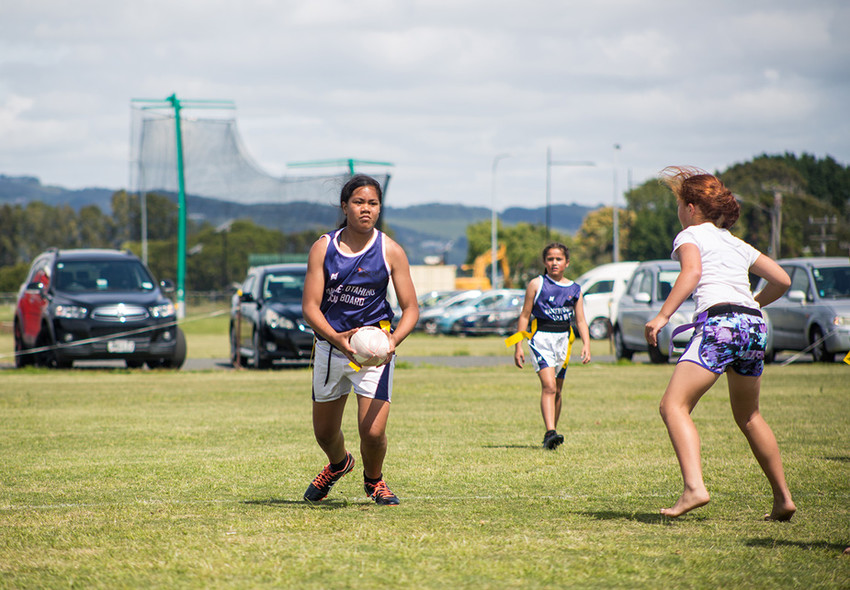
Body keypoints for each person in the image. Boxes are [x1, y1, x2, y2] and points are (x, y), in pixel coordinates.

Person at [645, 166, 796, 521]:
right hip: (754, 327)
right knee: (750, 416)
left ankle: (694, 488)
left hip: (721, 325)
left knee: (673, 406)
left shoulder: (690, 235)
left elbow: (692, 273)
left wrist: (663, 316)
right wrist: (752, 304)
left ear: (692, 207)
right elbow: (783, 280)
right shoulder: (734, 242)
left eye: (679, 204)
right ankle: (783, 498)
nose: (679, 212)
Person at [301, 174, 419, 506]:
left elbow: (411, 308)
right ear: (344, 206)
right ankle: (339, 464)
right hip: (330, 348)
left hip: (374, 353)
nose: (366, 209)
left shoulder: (390, 250)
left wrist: (393, 340)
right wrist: (336, 338)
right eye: (358, 202)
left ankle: (374, 481)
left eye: (373, 203)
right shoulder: (324, 247)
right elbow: (310, 307)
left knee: (373, 432)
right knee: (324, 433)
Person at [510, 243, 591, 449]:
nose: (554, 263)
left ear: (567, 262)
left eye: (559, 259)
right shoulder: (536, 284)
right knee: (549, 386)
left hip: (563, 341)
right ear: (544, 262)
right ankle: (550, 432)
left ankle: (552, 432)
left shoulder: (574, 289)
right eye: (550, 259)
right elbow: (525, 316)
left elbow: (580, 320)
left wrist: (586, 344)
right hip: (541, 339)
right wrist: (518, 345)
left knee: (558, 390)